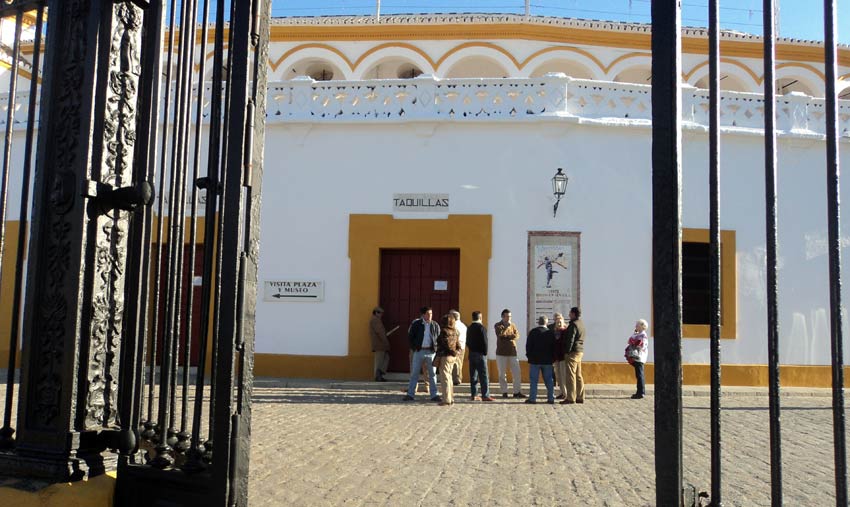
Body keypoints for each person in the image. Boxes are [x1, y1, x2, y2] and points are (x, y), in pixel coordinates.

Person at [404, 306, 441, 402]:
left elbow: (439, 338)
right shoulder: (417, 324)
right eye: (428, 314)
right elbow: (410, 337)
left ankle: (434, 395)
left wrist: (436, 348)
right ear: (423, 315)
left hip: (431, 352)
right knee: (414, 373)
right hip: (419, 351)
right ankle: (410, 394)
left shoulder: (435, 325)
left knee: (432, 374)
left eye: (431, 314)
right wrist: (415, 348)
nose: (430, 316)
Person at [495, 308, 525, 398]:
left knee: (516, 372)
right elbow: (500, 335)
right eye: (507, 316)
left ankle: (517, 392)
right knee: (502, 373)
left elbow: (517, 335)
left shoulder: (513, 325)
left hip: (512, 352)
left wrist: (508, 336)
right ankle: (504, 391)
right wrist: (508, 331)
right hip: (501, 353)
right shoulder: (498, 325)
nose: (509, 318)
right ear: (503, 317)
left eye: (510, 316)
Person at [525, 316, 556, 404]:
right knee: (549, 380)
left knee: (534, 380)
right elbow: (554, 347)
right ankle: (551, 398)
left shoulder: (533, 332)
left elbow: (528, 346)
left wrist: (529, 356)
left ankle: (532, 398)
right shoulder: (550, 333)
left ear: (538, 322)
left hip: (535, 360)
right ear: (546, 323)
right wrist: (553, 358)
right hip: (547, 361)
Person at [466, 311, 494, 401]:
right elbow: (485, 342)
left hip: (471, 353)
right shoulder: (481, 328)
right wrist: (485, 353)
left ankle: (474, 394)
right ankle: (485, 395)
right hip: (480, 354)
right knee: (483, 376)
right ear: (480, 317)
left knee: (473, 376)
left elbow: (467, 341)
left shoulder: (469, 328)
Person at [435, 313, 462, 406]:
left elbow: (446, 344)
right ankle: (451, 398)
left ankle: (446, 400)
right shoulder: (455, 331)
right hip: (452, 357)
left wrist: (452, 352)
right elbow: (459, 345)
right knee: (449, 378)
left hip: (445, 356)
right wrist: (456, 353)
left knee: (445, 378)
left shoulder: (444, 331)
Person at [561, 306, 586, 405]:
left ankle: (571, 398)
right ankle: (580, 397)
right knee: (578, 375)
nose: (569, 314)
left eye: (570, 313)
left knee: (570, 375)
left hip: (572, 352)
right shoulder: (581, 324)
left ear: (574, 314)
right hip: (580, 351)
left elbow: (570, 339)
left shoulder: (573, 325)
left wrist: (567, 351)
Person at [625, 319, 649, 399]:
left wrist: (634, 343)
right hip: (636, 356)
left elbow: (642, 345)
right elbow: (630, 340)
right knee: (638, 374)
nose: (636, 326)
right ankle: (640, 392)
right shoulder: (637, 334)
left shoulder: (643, 335)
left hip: (639, 356)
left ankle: (641, 392)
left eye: (637, 325)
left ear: (642, 326)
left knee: (639, 374)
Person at [370, 306, 390, 381]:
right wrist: (386, 342)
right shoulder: (375, 320)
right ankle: (377, 377)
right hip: (379, 344)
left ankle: (380, 374)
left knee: (385, 358)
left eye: (382, 313)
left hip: (380, 344)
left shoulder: (376, 320)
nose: (381, 314)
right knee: (379, 361)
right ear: (375, 312)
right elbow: (380, 333)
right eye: (379, 312)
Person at [551, 312, 568, 400]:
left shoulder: (565, 331)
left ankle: (565, 393)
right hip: (556, 358)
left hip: (563, 357)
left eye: (560, 321)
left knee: (563, 376)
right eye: (557, 321)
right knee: (558, 376)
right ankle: (561, 392)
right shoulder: (554, 332)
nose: (558, 323)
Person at [450, 310, 467, 386]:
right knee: (460, 363)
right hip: (463, 347)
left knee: (455, 364)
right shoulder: (463, 325)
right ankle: (459, 378)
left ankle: (456, 379)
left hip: (455, 346)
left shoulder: (454, 326)